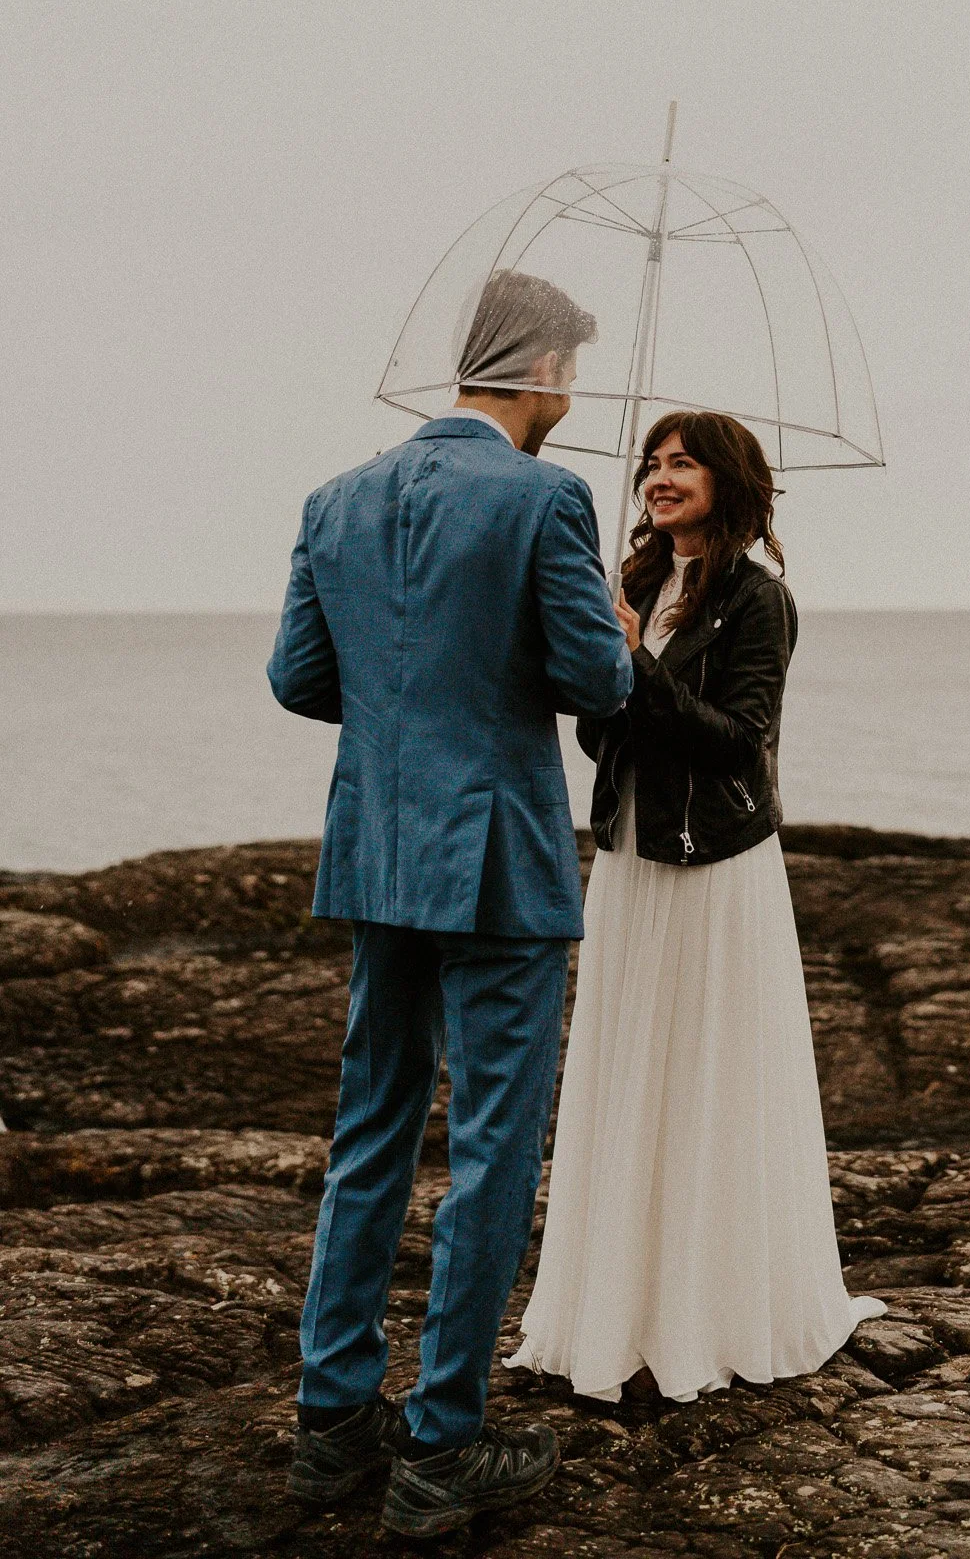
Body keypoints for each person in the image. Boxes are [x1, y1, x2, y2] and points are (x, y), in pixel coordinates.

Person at [268, 269, 632, 1541]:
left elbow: (298, 675)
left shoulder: (336, 497)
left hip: (379, 853)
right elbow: (597, 679)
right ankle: (441, 1441)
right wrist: (619, 635)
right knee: (489, 1145)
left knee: (369, 1126)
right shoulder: (546, 496)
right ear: (535, 368)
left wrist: (405, 724)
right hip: (501, 865)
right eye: (571, 371)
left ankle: (331, 1421)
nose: (572, 396)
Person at [507, 410, 884, 1404]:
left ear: (727, 479)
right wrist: (597, 662)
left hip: (713, 863)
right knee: (631, 1071)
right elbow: (603, 740)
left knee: (706, 1074)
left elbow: (737, 739)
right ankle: (614, 1307)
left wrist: (631, 663)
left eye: (684, 463)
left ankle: (705, 1310)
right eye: (654, 462)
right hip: (628, 859)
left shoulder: (760, 599)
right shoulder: (630, 582)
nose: (661, 476)